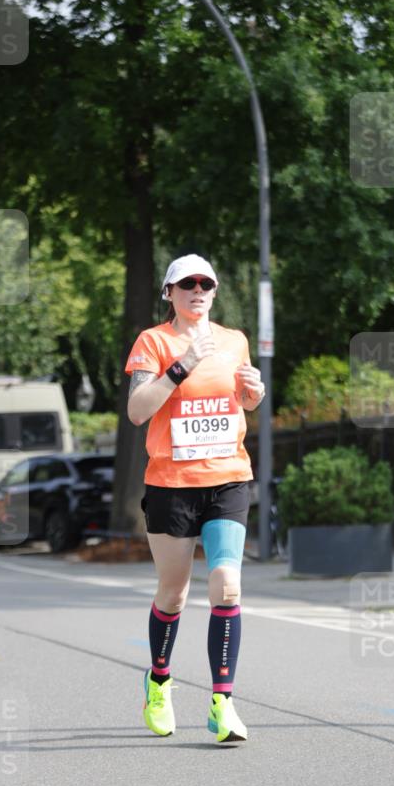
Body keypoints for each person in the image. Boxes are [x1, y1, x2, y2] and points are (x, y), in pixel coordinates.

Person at [125, 254, 265, 744]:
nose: (198, 290)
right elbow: (138, 411)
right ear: (170, 293)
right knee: (174, 592)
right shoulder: (153, 342)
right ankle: (159, 681)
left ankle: (222, 703)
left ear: (214, 291)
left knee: (227, 584)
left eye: (206, 283)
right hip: (171, 485)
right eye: (187, 284)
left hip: (228, 477)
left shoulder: (234, 341)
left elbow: (243, 399)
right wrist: (181, 366)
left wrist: (254, 392)